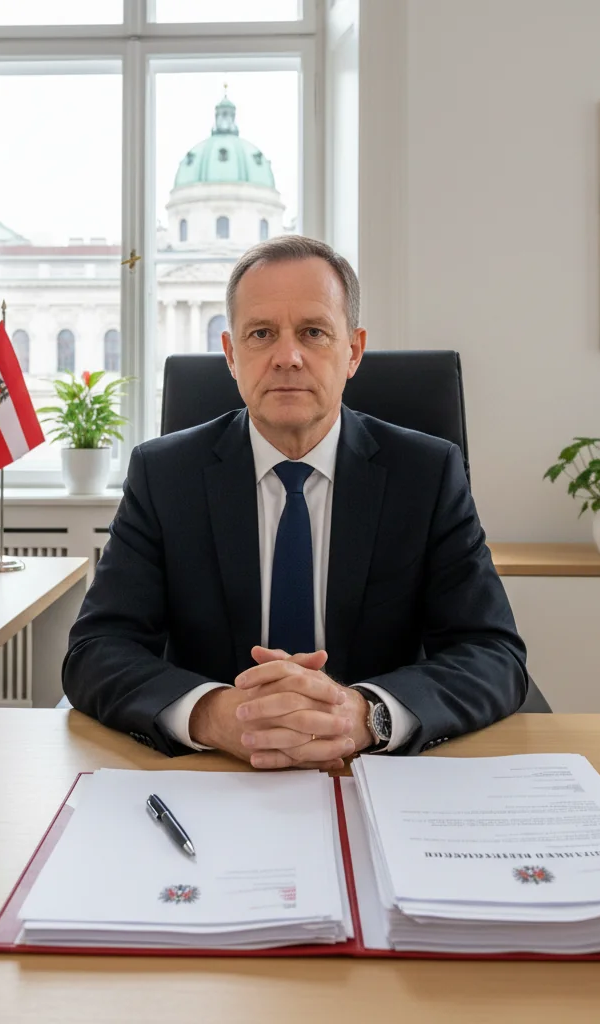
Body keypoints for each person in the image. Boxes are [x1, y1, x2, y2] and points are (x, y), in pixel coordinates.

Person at [63, 235, 527, 770]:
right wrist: (215, 714)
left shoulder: (426, 474)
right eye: (261, 334)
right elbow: (96, 650)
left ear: (352, 351)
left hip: (375, 774)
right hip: (215, 775)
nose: (287, 357)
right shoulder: (164, 476)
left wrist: (363, 715)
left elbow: (493, 654)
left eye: (313, 332)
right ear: (232, 355)